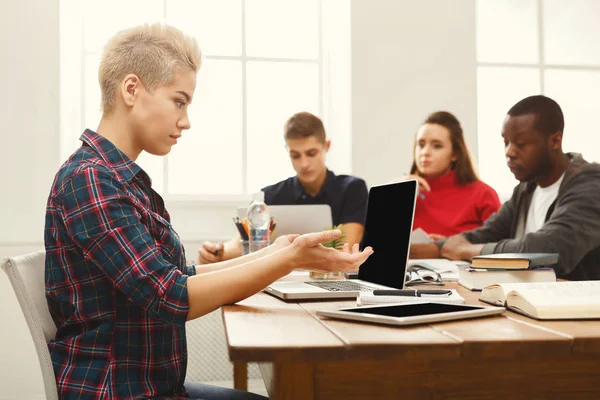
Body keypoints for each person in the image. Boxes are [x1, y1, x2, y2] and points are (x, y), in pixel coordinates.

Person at [44, 23, 373, 400]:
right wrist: (285, 261)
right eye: (179, 101)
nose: (186, 120)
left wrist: (280, 251)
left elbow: (177, 275)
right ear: (131, 90)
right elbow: (171, 295)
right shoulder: (91, 180)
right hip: (119, 392)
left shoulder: (120, 180)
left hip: (152, 387)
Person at [411, 95, 600, 281]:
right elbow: (486, 233)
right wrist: (428, 249)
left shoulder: (591, 184)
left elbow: (547, 248)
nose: (509, 152)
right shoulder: (527, 188)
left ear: (555, 141)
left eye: (520, 144)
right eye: (506, 142)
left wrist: (466, 251)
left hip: (580, 308)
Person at [198, 111, 369, 264]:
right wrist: (217, 252)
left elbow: (345, 248)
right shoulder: (270, 196)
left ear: (327, 146)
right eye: (295, 155)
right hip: (281, 280)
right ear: (287, 151)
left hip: (333, 280)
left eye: (311, 153)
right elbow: (247, 244)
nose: (304, 164)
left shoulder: (353, 189)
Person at [397, 111, 500, 239]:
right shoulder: (405, 192)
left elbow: (498, 247)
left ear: (455, 154)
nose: (425, 152)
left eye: (437, 146)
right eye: (421, 145)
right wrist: (395, 193)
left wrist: (448, 246)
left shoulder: (483, 194)